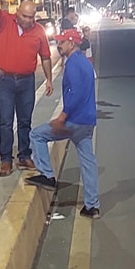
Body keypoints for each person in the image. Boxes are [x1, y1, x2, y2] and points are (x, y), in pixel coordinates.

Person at [0, 0, 53, 176]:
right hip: (5, 81)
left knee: (25, 120)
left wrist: (49, 79)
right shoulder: (5, 21)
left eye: (32, 17)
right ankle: (6, 160)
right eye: (25, 16)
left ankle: (24, 155)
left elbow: (45, 57)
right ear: (17, 13)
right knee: (6, 121)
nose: (29, 20)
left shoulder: (39, 31)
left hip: (27, 81)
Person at [26, 28, 100, 219]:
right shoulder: (85, 62)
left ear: (72, 43)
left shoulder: (73, 64)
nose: (58, 45)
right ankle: (92, 206)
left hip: (73, 121)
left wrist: (62, 117)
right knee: (88, 162)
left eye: (62, 42)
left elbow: (76, 94)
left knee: (37, 135)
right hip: (88, 120)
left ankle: (47, 175)